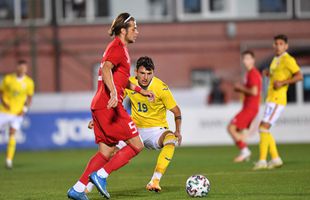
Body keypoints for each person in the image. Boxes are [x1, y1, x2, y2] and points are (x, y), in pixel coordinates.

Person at [67, 13, 153, 200]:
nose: (137, 32)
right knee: (137, 145)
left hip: (100, 105)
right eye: (134, 28)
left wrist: (140, 90)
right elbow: (106, 69)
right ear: (123, 30)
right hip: (109, 105)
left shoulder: (119, 48)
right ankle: (101, 175)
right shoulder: (117, 47)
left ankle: (78, 188)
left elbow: (120, 80)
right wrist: (114, 93)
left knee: (105, 152)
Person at [86, 56, 182, 193]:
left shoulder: (161, 88)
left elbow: (176, 110)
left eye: (149, 74)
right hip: (134, 129)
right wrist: (97, 120)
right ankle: (88, 185)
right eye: (142, 73)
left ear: (153, 73)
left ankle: (155, 181)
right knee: (109, 151)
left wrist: (177, 131)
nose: (145, 77)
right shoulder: (129, 83)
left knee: (171, 140)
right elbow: (114, 101)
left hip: (156, 131)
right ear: (136, 72)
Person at [253, 34, 303, 170]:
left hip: (278, 99)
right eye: (276, 43)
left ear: (286, 46)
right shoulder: (275, 59)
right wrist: (269, 75)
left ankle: (263, 161)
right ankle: (275, 159)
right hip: (270, 98)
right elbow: (277, 76)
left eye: (281, 44)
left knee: (263, 128)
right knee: (264, 129)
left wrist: (283, 82)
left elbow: (299, 76)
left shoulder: (288, 59)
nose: (278, 46)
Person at [227, 50, 262, 163]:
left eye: (247, 58)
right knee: (240, 132)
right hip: (249, 107)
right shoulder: (249, 74)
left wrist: (239, 88)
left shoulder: (253, 73)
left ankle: (245, 151)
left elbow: (254, 92)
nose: (245, 61)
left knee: (231, 128)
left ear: (253, 60)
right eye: (244, 59)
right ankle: (244, 153)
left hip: (250, 108)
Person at [0, 60, 34, 169]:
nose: (22, 69)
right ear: (17, 68)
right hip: (4, 111)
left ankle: (9, 160)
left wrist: (24, 109)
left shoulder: (29, 82)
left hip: (18, 113)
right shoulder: (8, 79)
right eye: (20, 67)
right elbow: (1, 92)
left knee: (12, 133)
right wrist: (3, 101)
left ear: (26, 69)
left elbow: (29, 98)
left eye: (24, 67)